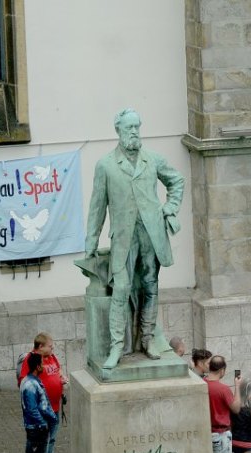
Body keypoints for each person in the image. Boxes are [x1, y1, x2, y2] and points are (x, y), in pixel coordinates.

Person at [82, 109, 185, 369]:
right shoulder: (106, 165)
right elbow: (97, 207)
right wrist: (90, 241)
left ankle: (147, 338)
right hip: (124, 238)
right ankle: (117, 346)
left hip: (151, 233)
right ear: (118, 130)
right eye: (129, 128)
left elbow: (177, 180)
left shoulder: (152, 159)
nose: (134, 132)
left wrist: (170, 208)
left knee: (150, 286)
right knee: (121, 288)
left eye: (137, 127)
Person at [18, 353, 58, 453]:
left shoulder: (32, 381)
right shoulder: (31, 385)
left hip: (36, 428)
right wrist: (43, 423)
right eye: (41, 364)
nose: (43, 367)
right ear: (37, 367)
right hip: (37, 429)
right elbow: (32, 409)